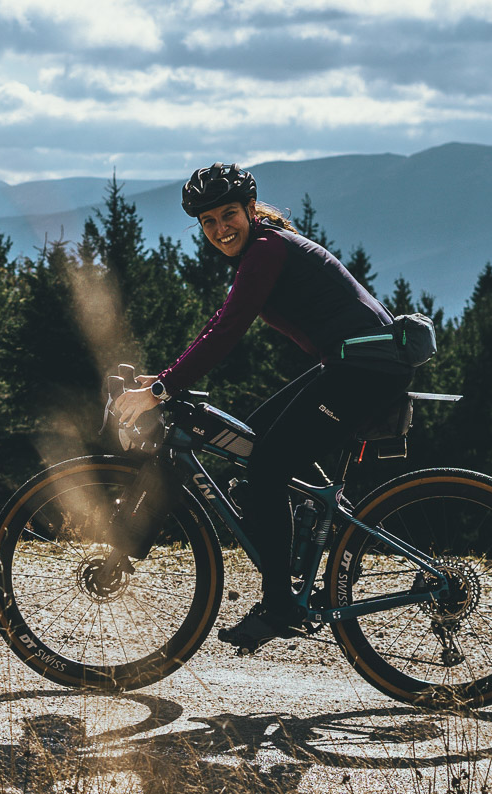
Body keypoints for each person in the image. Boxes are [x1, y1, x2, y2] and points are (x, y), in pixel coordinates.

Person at [114, 162, 412, 652]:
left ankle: (280, 607)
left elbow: (228, 328)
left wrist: (161, 391)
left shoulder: (268, 249)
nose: (219, 229)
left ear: (251, 210)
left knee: (267, 471)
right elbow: (220, 324)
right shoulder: (265, 248)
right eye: (208, 222)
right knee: (249, 443)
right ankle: (338, 531)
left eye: (228, 214)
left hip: (364, 369)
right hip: (351, 365)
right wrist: (165, 381)